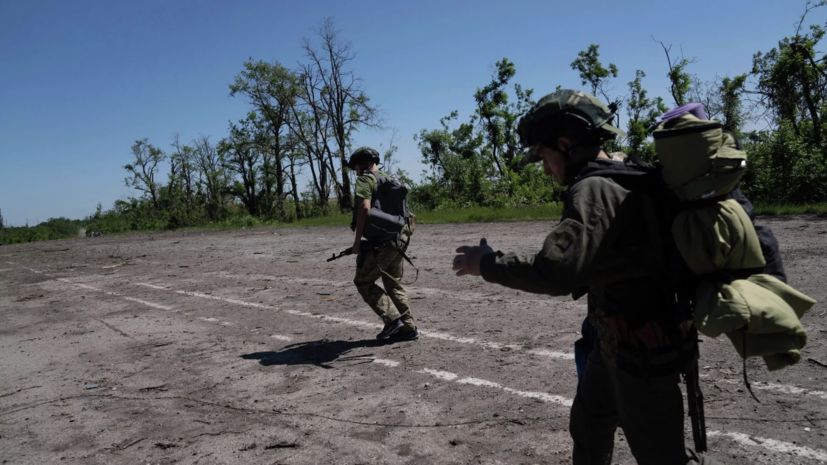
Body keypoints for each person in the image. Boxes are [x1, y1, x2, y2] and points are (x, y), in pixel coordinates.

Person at [451, 90, 724, 464]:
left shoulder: (593, 188)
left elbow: (556, 271)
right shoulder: (627, 171)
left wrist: (486, 262)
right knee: (590, 423)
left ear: (565, 143)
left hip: (642, 351)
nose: (545, 169)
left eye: (544, 156)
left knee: (663, 455)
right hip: (615, 341)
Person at [349, 147, 418, 341]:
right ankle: (409, 328)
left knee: (363, 281)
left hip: (384, 242)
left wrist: (357, 242)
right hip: (401, 239)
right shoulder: (390, 180)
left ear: (362, 163)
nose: (355, 171)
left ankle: (393, 320)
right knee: (393, 284)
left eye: (355, 167)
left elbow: (364, 208)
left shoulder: (365, 179)